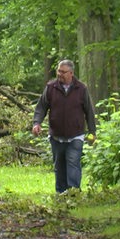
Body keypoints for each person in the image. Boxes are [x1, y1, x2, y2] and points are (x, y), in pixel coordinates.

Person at [32, 59, 97, 193]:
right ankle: (61, 194)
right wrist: (36, 123)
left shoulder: (81, 89)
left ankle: (73, 194)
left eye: (63, 72)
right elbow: (41, 107)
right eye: (58, 71)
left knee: (73, 164)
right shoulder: (51, 88)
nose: (60, 74)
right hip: (56, 136)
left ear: (71, 73)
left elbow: (89, 111)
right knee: (59, 166)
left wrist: (92, 132)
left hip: (76, 135)